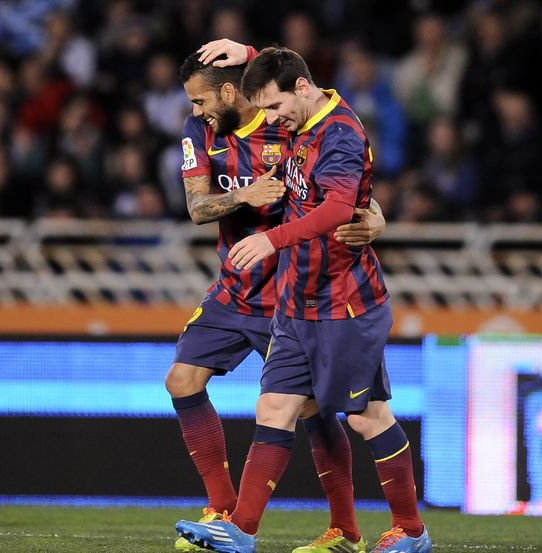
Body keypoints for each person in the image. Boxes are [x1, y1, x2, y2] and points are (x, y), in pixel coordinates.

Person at [176, 45, 432, 553]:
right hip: (297, 300)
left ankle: (410, 531)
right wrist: (250, 51)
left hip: (343, 302)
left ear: (299, 90)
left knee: (365, 417)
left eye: (273, 108)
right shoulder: (301, 125)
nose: (271, 120)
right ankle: (240, 530)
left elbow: (340, 204)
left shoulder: (338, 132)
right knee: (272, 407)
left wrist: (278, 237)